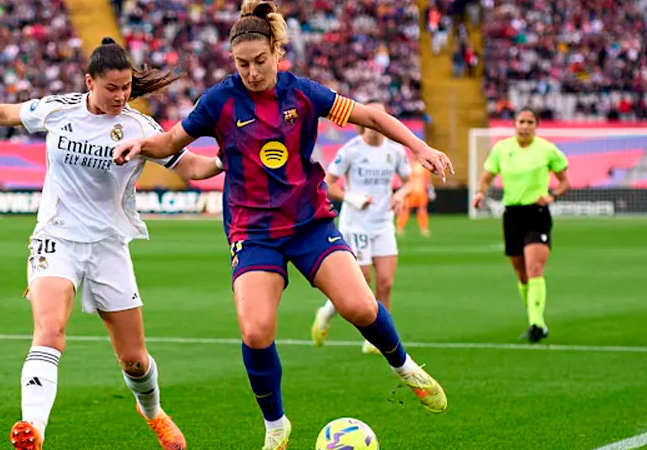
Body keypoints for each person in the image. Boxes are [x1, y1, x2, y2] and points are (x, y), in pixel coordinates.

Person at [112, 2, 452, 449]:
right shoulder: (219, 100)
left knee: (360, 307)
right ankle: (276, 426)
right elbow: (172, 141)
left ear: (276, 52)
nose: (252, 72)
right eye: (242, 64)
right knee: (255, 331)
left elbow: (371, 116)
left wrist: (418, 147)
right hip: (253, 234)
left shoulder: (304, 93)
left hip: (309, 223)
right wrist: (141, 145)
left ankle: (406, 368)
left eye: (260, 61)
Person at [0, 38, 223, 450]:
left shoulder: (140, 127)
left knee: (134, 359)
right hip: (56, 237)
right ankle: (33, 428)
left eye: (126, 87)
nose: (121, 96)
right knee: (49, 331)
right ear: (90, 82)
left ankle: (153, 412)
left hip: (108, 245)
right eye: (112, 88)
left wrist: (225, 159)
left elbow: (191, 166)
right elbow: (9, 113)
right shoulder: (59, 109)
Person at [309, 101, 413, 354]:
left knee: (386, 283)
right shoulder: (351, 150)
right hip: (356, 225)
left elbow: (409, 182)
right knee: (361, 282)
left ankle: (378, 338)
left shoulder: (395, 151)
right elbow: (327, 183)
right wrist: (351, 198)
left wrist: (401, 194)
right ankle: (327, 312)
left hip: (383, 223)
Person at [471, 108, 570, 343]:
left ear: (536, 125)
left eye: (530, 122)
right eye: (521, 122)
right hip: (512, 215)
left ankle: (537, 324)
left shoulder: (547, 149)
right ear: (514, 124)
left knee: (534, 267)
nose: (525, 126)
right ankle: (535, 319)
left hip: (537, 213)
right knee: (522, 274)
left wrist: (553, 195)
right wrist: (479, 193)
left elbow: (565, 182)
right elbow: (486, 178)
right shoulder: (502, 149)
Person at [396, 161, 435, 237]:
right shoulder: (410, 166)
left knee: (422, 209)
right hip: (411, 191)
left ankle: (424, 228)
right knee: (406, 209)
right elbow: (404, 178)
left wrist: (430, 190)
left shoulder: (424, 167)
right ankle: (399, 228)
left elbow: (428, 180)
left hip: (421, 191)